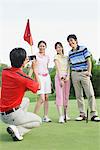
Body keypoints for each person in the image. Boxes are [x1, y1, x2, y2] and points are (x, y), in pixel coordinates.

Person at [0, 48, 42, 141]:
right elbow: (38, 87)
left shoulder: (5, 72)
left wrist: (22, 63)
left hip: (2, 114)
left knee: (26, 100)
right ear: (23, 62)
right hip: (12, 115)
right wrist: (35, 70)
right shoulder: (23, 79)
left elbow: (20, 79)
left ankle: (18, 123)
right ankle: (18, 130)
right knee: (38, 121)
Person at [67, 34, 100, 122]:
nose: (71, 42)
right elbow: (69, 65)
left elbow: (89, 61)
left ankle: (94, 114)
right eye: (69, 41)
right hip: (74, 74)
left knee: (90, 94)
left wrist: (89, 72)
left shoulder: (83, 49)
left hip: (84, 73)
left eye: (72, 40)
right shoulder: (70, 53)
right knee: (79, 95)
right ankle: (82, 114)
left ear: (76, 40)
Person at [34, 41, 52, 122]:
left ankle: (45, 116)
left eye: (43, 46)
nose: (42, 47)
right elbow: (32, 68)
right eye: (40, 46)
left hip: (47, 77)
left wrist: (50, 80)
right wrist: (31, 78)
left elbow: (46, 67)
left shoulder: (47, 57)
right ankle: (34, 117)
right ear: (38, 47)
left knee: (46, 98)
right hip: (39, 77)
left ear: (45, 47)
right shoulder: (35, 56)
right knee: (41, 98)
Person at [54, 42, 70, 123]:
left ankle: (65, 114)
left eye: (60, 47)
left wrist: (67, 77)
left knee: (66, 96)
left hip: (67, 77)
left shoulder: (67, 57)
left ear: (62, 48)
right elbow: (58, 68)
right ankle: (60, 116)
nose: (59, 48)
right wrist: (61, 79)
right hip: (59, 77)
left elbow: (68, 68)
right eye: (57, 47)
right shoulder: (56, 57)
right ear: (56, 49)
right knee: (60, 96)